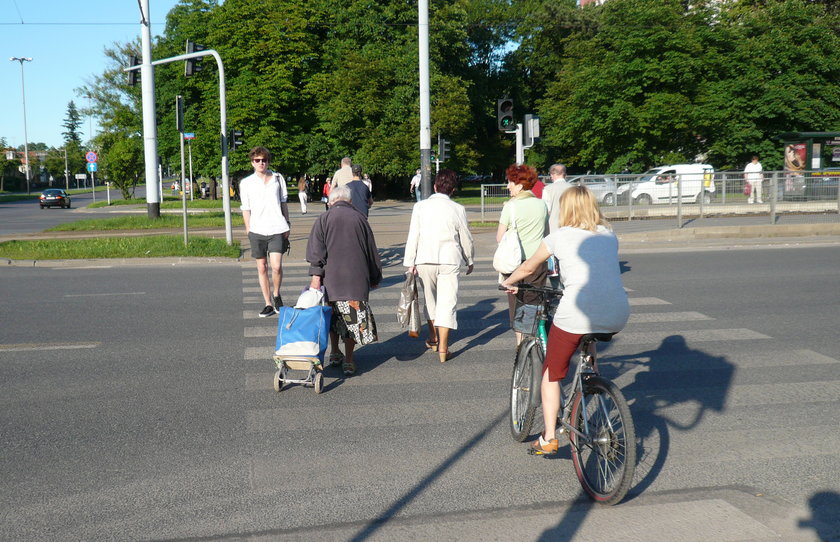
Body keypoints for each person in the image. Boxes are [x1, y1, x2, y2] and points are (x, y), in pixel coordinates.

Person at [501, 185, 630, 455]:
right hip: (618, 311)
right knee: (589, 337)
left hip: (578, 310)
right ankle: (592, 380)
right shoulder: (609, 234)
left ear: (566, 209)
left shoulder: (559, 236)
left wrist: (508, 282)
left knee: (551, 374)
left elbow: (528, 267)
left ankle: (549, 437)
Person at [306, 184, 383, 376]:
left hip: (330, 280)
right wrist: (375, 277)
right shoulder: (360, 219)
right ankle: (349, 360)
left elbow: (315, 252)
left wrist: (316, 277)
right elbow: (372, 253)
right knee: (353, 321)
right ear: (349, 201)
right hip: (355, 280)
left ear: (331, 201)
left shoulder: (323, 219)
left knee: (331, 318)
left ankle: (334, 352)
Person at [403, 169, 475, 363]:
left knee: (430, 300)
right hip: (449, 259)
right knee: (448, 302)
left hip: (424, 259)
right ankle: (443, 347)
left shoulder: (420, 207)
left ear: (435, 186)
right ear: (452, 190)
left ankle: (433, 338)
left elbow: (413, 235)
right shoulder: (457, 209)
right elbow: (465, 237)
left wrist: (409, 262)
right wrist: (469, 259)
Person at [497, 164, 549, 345]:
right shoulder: (541, 204)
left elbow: (499, 237)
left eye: (510, 182)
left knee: (516, 305)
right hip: (538, 262)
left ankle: (521, 345)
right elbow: (546, 233)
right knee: (533, 303)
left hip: (515, 264)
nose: (507, 186)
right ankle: (535, 341)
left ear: (519, 185)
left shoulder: (510, 207)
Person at [239, 147, 291, 318]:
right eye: (257, 160)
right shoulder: (246, 183)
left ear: (268, 161)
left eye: (264, 160)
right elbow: (245, 208)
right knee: (262, 267)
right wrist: (248, 229)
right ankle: (268, 303)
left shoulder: (278, 178)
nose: (261, 163)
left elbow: (284, 202)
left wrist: (287, 223)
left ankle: (276, 294)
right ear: (252, 162)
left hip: (277, 227)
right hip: (257, 229)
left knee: (276, 266)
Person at [542, 164, 573, 234]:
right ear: (564, 174)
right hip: (571, 226)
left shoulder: (548, 189)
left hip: (553, 227)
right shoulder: (573, 188)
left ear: (553, 174)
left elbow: (546, 210)